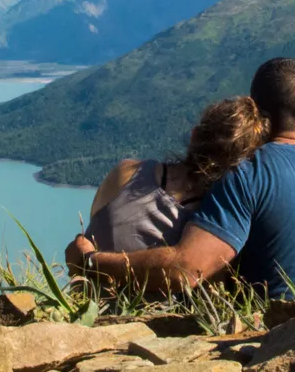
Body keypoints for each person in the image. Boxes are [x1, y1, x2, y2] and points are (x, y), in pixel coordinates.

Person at [66, 57, 295, 299]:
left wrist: (90, 262)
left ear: (255, 112)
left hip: (269, 343)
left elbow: (187, 269)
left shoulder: (249, 173)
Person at [82, 95, 270, 259]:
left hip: (83, 297)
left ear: (194, 135)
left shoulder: (125, 172)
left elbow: (91, 232)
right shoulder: (211, 223)